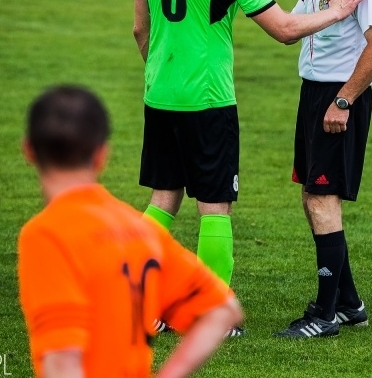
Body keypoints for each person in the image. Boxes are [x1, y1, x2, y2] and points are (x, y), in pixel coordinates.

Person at [132, 0, 367, 336]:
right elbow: (283, 29)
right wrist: (338, 11)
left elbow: (141, 28)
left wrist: (162, 70)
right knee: (214, 206)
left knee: (163, 197)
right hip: (208, 99)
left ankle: (136, 301)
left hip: (160, 93)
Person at [17, 85, 243, 378]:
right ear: (101, 155)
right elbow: (223, 310)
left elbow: (64, 360)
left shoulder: (46, 234)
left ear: (29, 151)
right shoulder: (136, 229)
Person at [274, 0, 372, 339]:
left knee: (323, 198)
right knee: (312, 196)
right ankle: (348, 303)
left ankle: (324, 315)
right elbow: (289, 28)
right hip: (315, 95)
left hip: (337, 99)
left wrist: (344, 100)